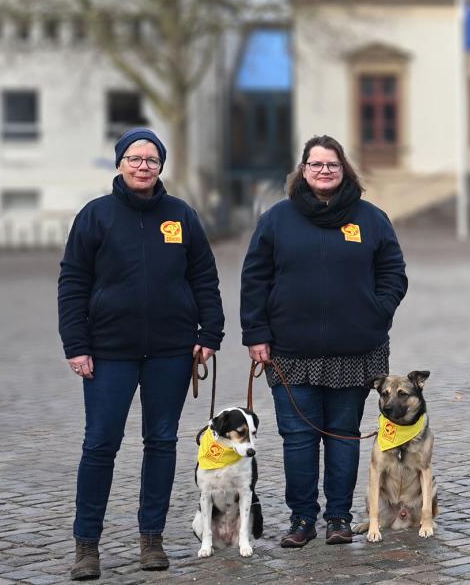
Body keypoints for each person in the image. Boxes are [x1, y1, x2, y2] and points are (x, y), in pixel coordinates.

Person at [59, 128, 224, 579]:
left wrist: (210, 332)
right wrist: (76, 345)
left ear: (161, 167)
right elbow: (72, 283)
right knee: (100, 445)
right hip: (108, 353)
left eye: (151, 160)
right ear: (120, 163)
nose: (143, 166)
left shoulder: (181, 217)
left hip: (171, 352)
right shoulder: (95, 217)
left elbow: (204, 279)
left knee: (162, 442)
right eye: (134, 158)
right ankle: (86, 546)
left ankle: (151, 539)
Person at [241, 135, 408, 549]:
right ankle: (301, 519)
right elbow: (255, 278)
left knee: (343, 436)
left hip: (355, 352)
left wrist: (375, 309)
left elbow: (393, 273)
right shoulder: (277, 219)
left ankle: (339, 517)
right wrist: (256, 333)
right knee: (298, 440)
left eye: (332, 164)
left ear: (343, 169)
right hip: (290, 353)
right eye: (316, 165)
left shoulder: (371, 219)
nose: (324, 171)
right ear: (303, 170)